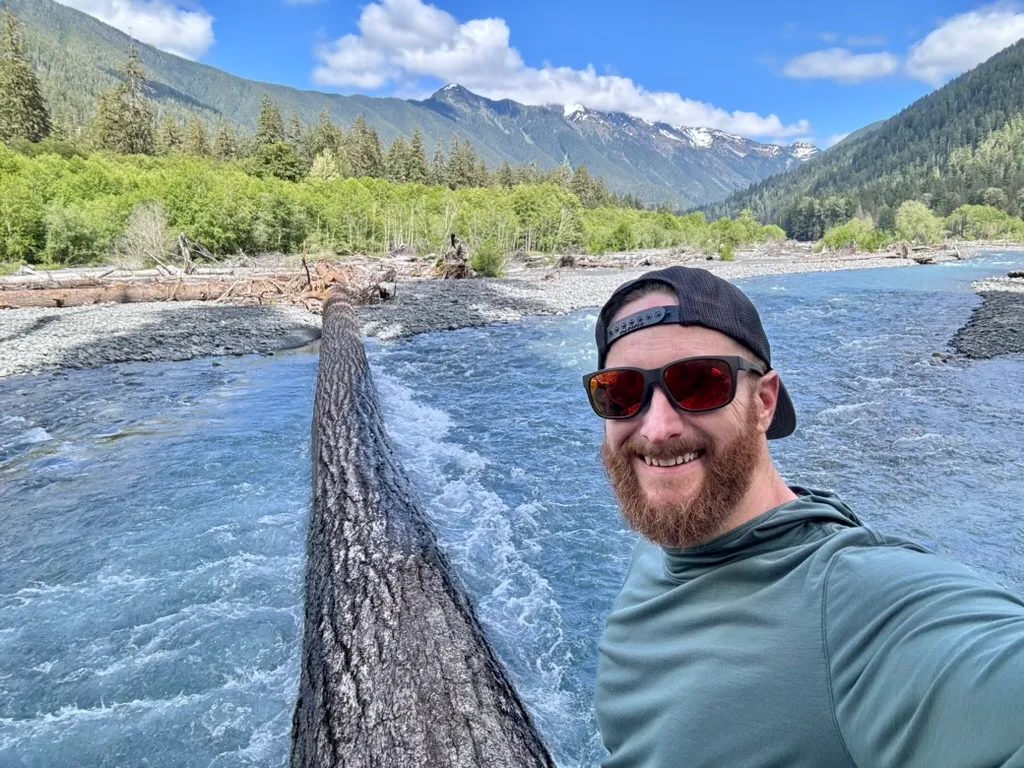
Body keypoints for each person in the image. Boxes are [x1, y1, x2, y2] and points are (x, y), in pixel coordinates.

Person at [586, 266, 1024, 768]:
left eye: (699, 383)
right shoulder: (669, 538)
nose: (657, 427)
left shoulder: (854, 608)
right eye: (620, 391)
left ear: (764, 402)